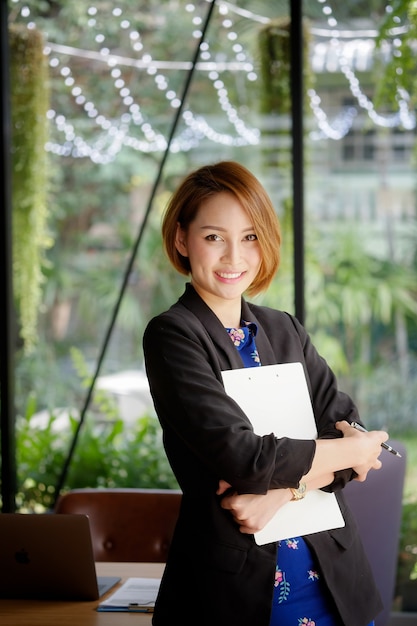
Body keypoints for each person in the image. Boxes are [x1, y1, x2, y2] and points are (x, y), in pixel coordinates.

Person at [143, 161, 387, 626]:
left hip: (334, 579)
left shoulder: (285, 328)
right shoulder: (173, 335)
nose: (234, 256)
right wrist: (349, 447)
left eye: (250, 237)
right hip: (234, 591)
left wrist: (284, 493)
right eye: (214, 236)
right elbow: (245, 459)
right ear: (181, 239)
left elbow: (350, 439)